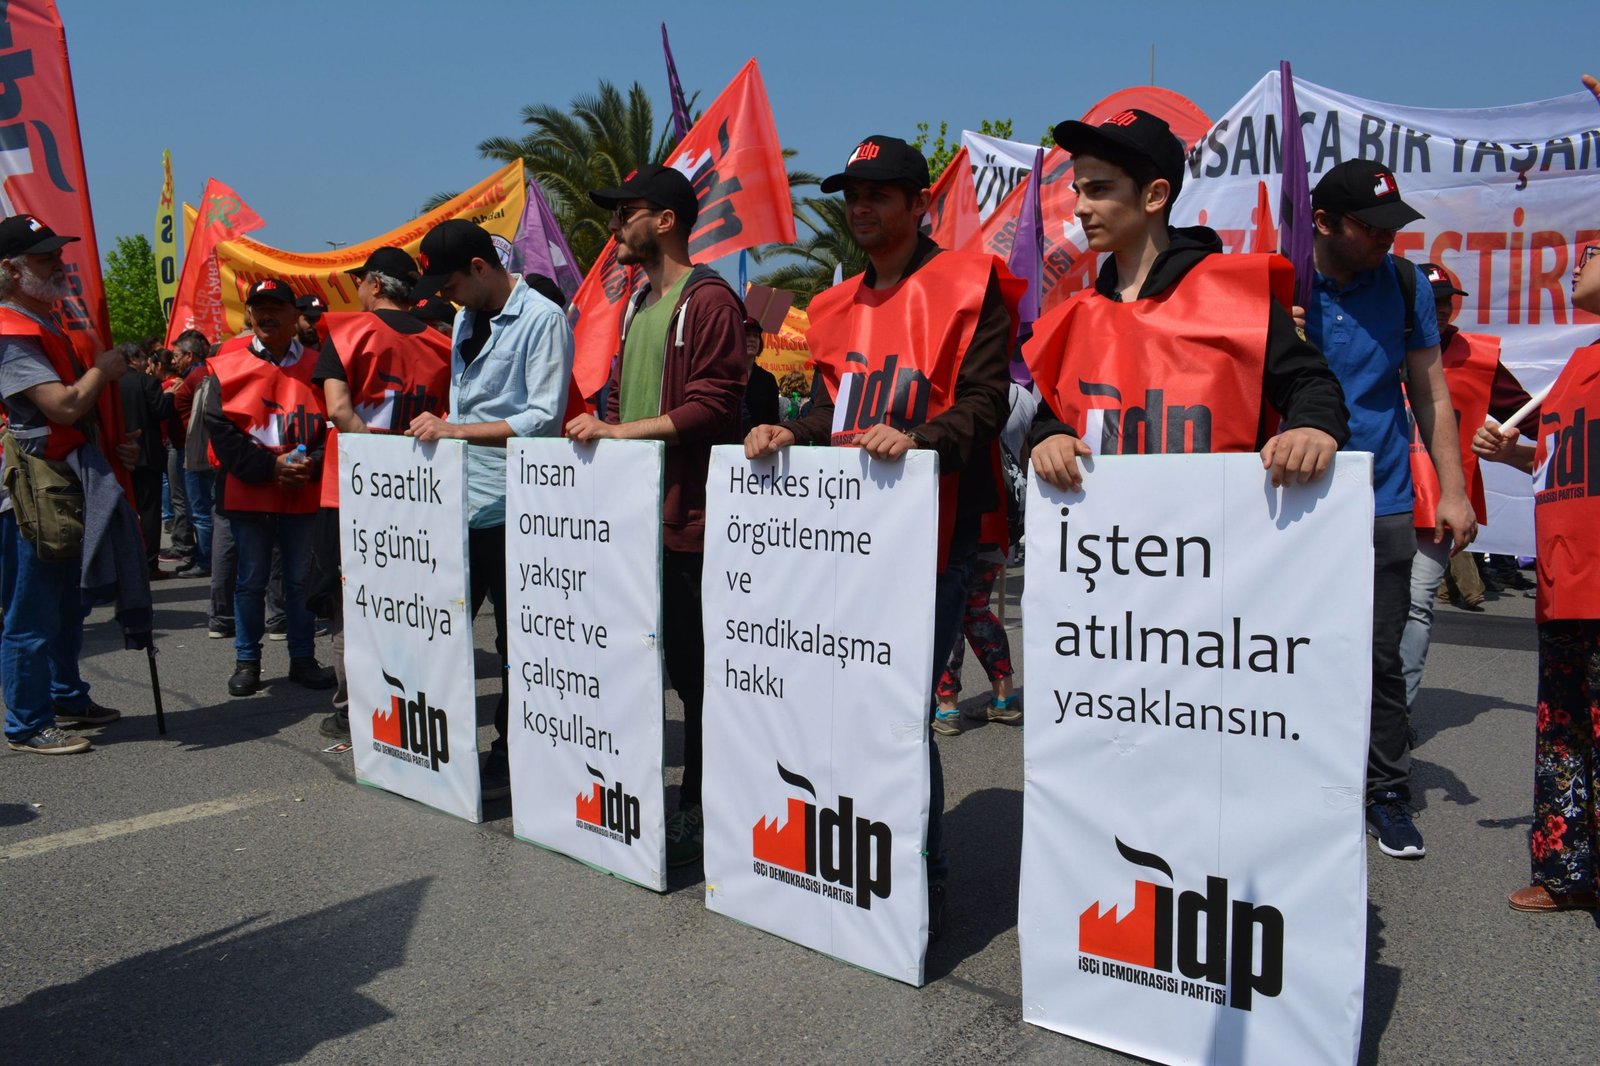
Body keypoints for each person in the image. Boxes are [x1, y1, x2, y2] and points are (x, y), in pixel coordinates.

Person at [745, 135, 1022, 932]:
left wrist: (920, 439)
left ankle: (918, 873)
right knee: (843, 699)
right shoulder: (833, 306)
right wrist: (788, 431)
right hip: (842, 536)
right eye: (851, 195)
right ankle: (844, 848)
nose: (859, 207)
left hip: (934, 533)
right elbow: (826, 409)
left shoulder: (970, 283)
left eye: (877, 194)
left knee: (900, 707)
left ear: (918, 204)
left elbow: (985, 403)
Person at [568, 164, 745, 866]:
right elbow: (617, 398)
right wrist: (606, 432)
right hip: (639, 525)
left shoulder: (709, 301)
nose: (614, 227)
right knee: (661, 669)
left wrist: (618, 433)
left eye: (627, 213)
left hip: (691, 525)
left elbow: (714, 407)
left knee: (700, 682)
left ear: (665, 221)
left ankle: (701, 809)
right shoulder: (638, 303)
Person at [1306, 159, 1477, 860]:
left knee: (1379, 656)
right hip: (1289, 504)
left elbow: (1431, 393)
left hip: (1381, 501)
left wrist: (1454, 488)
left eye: (1393, 226)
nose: (1387, 238)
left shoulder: (1404, 284)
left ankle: (1385, 793)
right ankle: (1291, 779)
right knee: (1282, 651)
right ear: (1322, 223)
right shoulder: (1276, 282)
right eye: (1371, 227)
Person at [409, 219, 574, 801]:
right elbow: (466, 403)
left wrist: (456, 431)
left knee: (514, 643)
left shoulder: (543, 320)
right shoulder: (464, 317)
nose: (447, 298)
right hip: (459, 501)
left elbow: (543, 418)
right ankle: (445, 748)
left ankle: (512, 751)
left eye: (451, 285)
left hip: (515, 507)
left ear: (480, 268)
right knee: (443, 629)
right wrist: (446, 429)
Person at [1494, 229, 1600, 912]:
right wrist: (1511, 453)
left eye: (1593, 254)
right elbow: (1560, 461)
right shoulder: (1578, 364)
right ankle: (1566, 872)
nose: (1579, 264)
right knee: (1563, 729)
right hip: (1565, 580)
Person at [0, 214, 130, 754]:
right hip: (30, 492)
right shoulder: (11, 331)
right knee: (30, 611)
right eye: (45, 257)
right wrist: (103, 370)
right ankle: (27, 724)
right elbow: (64, 406)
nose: (59, 263)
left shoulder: (42, 322)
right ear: (10, 270)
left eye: (57, 253)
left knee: (66, 605)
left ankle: (64, 696)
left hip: (58, 482)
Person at [313, 246, 450, 738]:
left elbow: (338, 410)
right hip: (420, 488)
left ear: (374, 283)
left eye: (359, 281)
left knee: (353, 603)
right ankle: (412, 703)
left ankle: (353, 710)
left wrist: (376, 461)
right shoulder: (441, 343)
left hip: (354, 488)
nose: (357, 290)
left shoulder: (346, 332)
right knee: (411, 599)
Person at [1398, 263, 1538, 707]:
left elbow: (1537, 417)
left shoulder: (1478, 357)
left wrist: (1568, 424)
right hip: (1372, 497)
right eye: (1431, 301)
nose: (1441, 310)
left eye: (1447, 301)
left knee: (1417, 603)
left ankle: (1396, 716)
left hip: (1437, 504)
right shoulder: (1376, 341)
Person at [204, 278, 337, 696]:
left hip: (302, 490)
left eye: (276, 307)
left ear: (294, 315)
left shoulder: (319, 364)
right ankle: (247, 661)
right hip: (249, 492)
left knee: (299, 580)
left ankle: (303, 659)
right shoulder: (226, 363)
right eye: (258, 307)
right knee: (250, 581)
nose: (266, 314)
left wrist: (311, 466)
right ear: (248, 314)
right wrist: (269, 467)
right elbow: (218, 429)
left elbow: (334, 423)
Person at [118, 341, 174, 578]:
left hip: (119, 454)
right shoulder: (148, 382)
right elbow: (161, 411)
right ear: (133, 359)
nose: (147, 362)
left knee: (124, 509)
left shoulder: (111, 384)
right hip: (147, 455)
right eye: (143, 357)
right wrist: (169, 396)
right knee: (150, 510)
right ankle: (150, 563)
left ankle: (125, 561)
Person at [739, 316, 780, 436]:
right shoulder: (725, 375)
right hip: (729, 443)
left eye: (756, 336)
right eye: (747, 335)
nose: (752, 339)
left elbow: (773, 419)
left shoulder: (768, 379)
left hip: (760, 442)